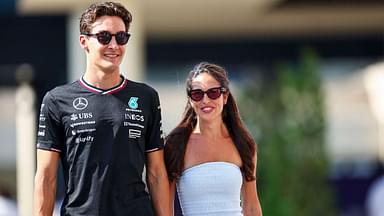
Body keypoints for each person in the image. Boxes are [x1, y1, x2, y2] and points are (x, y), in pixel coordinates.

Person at [33, 2, 170, 215]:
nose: (114, 45)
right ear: (84, 41)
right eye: (104, 37)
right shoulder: (56, 100)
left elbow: (156, 173)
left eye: (121, 37)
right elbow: (46, 175)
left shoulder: (146, 97)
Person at [164, 62, 263, 216]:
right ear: (190, 99)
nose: (205, 100)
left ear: (225, 97)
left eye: (213, 92)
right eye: (197, 94)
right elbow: (165, 208)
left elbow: (251, 206)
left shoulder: (244, 144)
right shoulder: (175, 145)